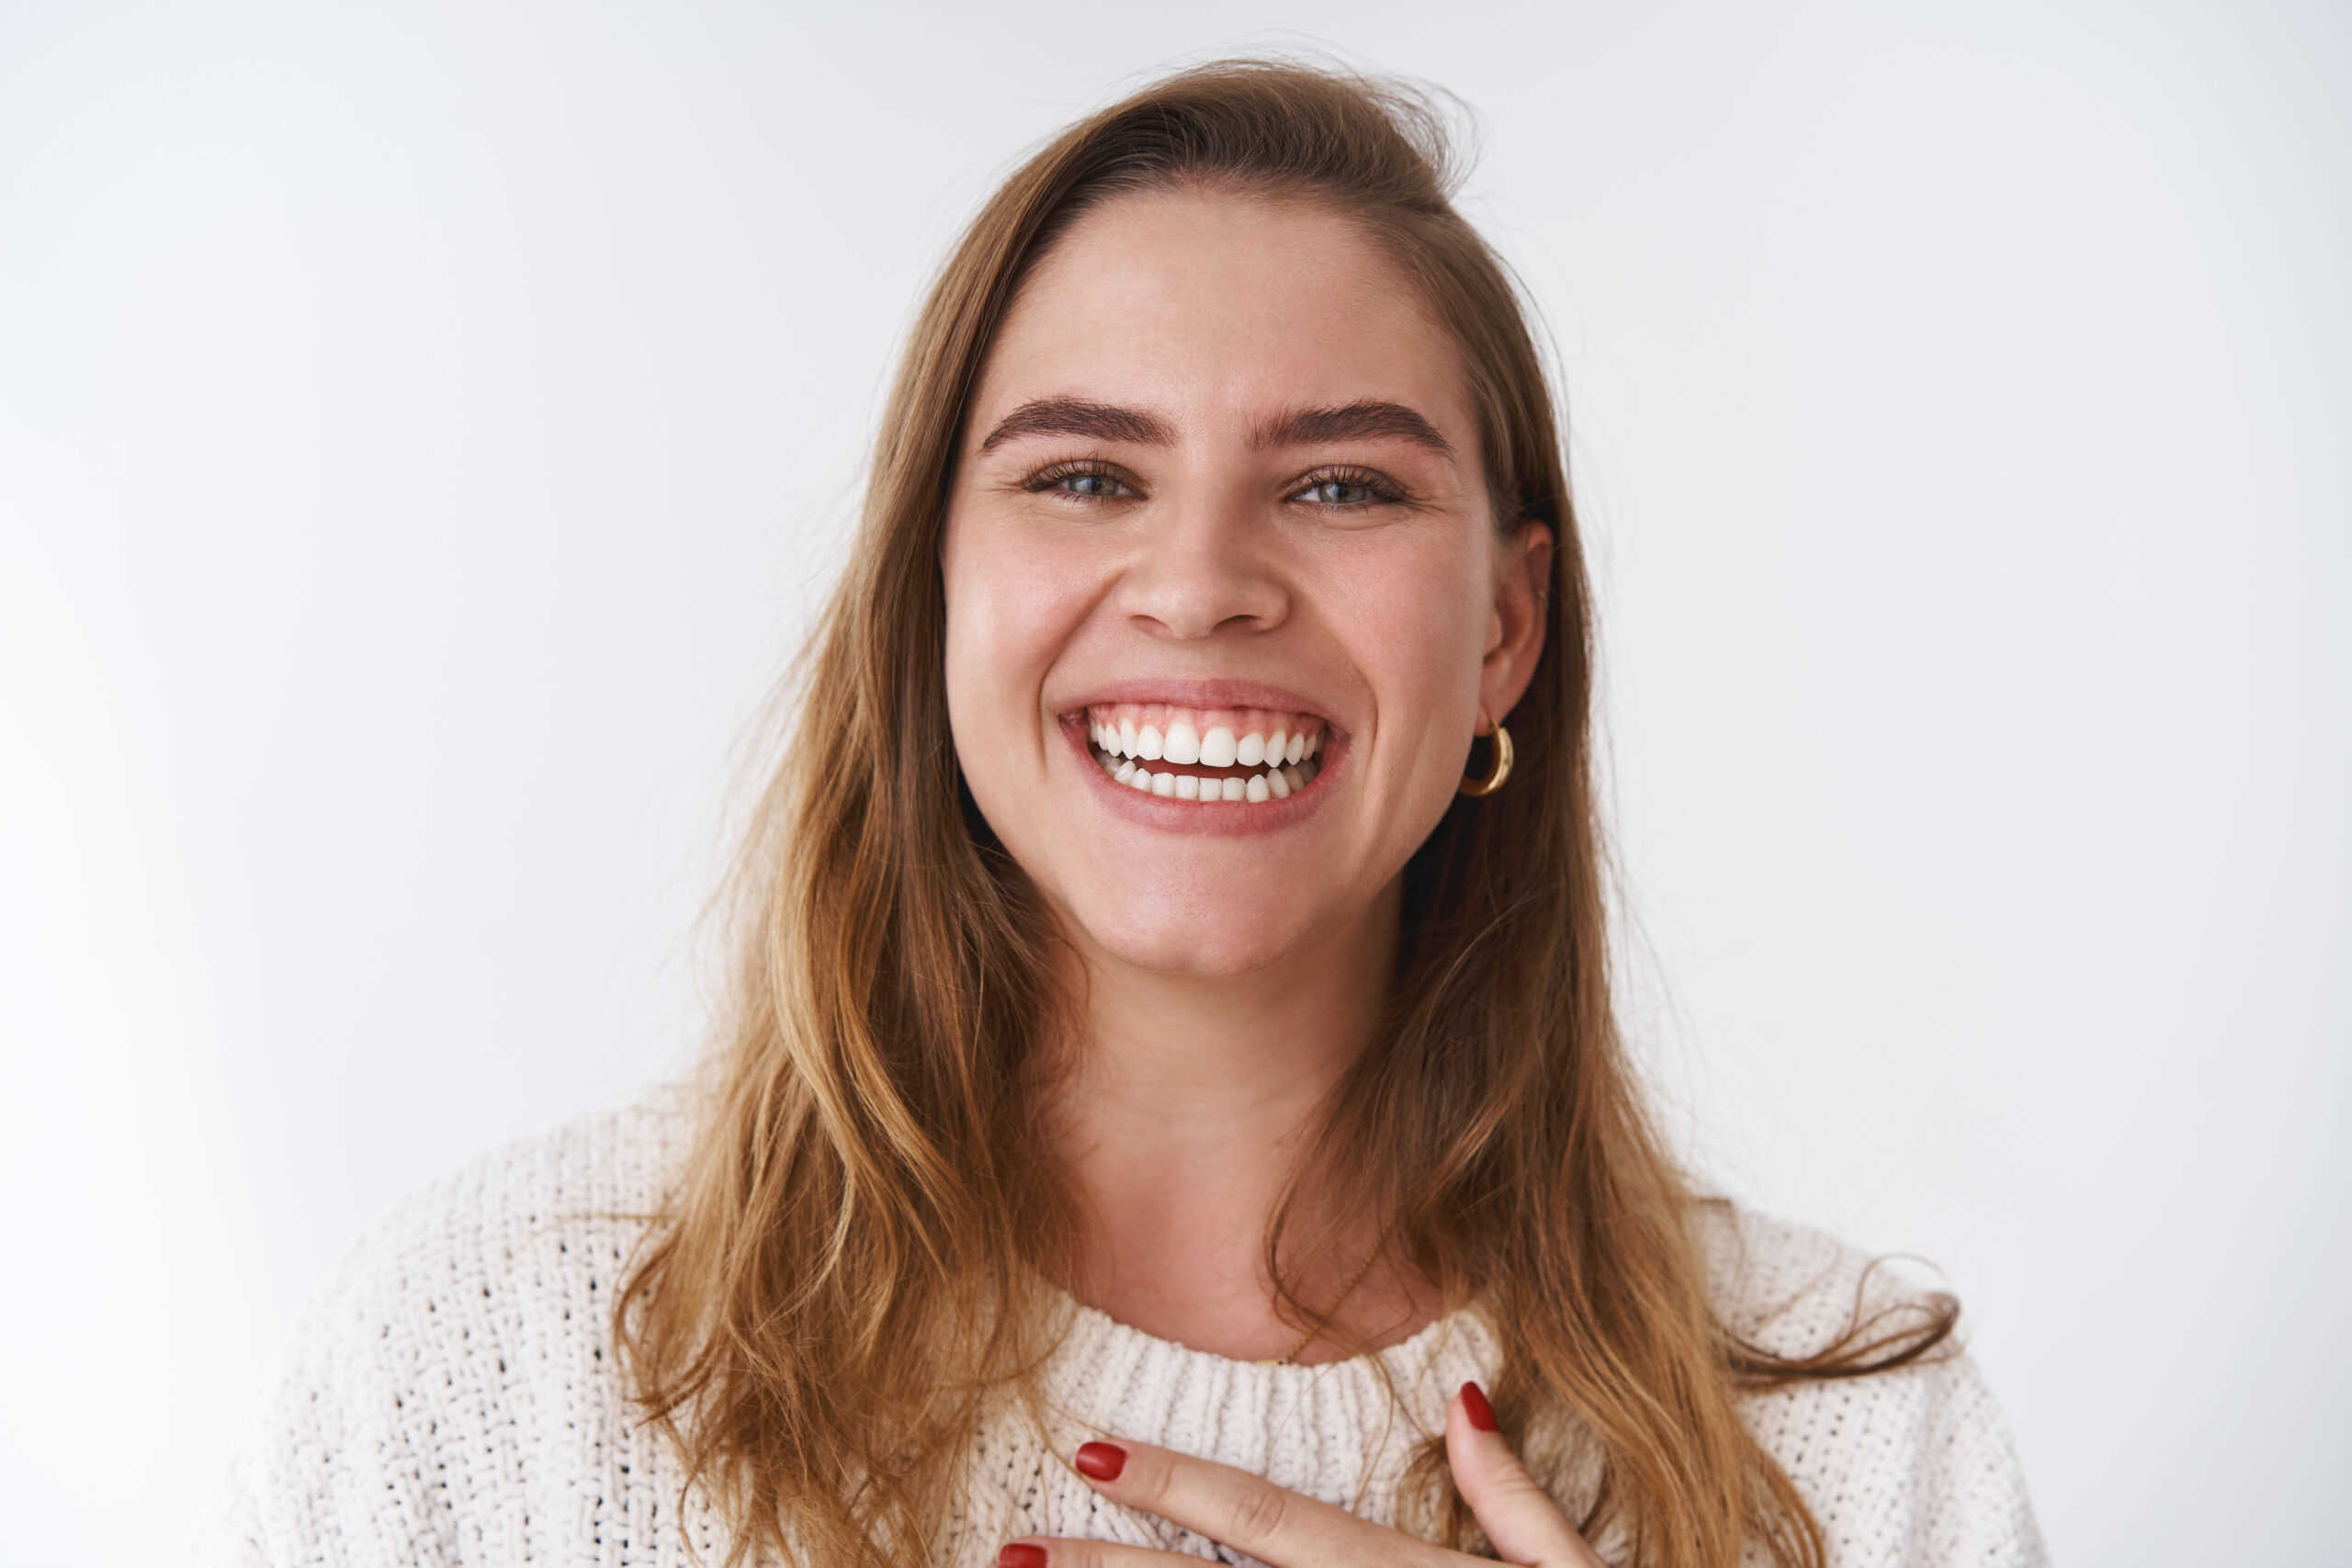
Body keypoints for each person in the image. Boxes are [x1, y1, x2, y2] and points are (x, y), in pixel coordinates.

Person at [197, 61, 2043, 1568]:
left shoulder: (1858, 1436)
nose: (1197, 582)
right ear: (934, 594)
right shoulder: (480, 1360)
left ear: (1501, 630)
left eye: (1336, 485)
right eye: (1084, 473)